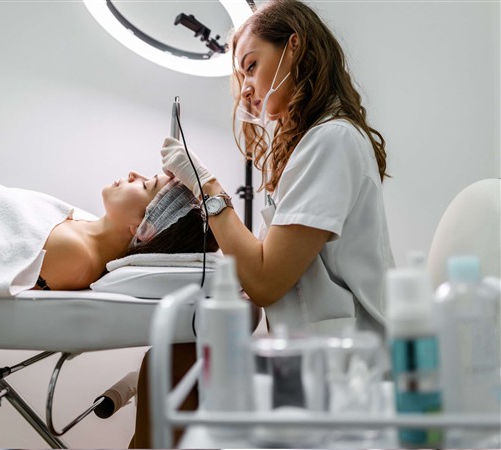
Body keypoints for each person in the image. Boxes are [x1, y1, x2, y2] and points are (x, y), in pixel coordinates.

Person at [131, 0, 394, 446]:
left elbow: (267, 281)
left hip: (348, 373)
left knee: (171, 368)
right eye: (242, 76)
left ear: (294, 47)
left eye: (251, 66)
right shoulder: (318, 143)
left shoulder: (331, 141)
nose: (247, 89)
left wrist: (207, 187)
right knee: (174, 362)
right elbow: (270, 266)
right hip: (316, 356)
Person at [0, 172, 218, 295]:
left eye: (146, 184)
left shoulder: (76, 254)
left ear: (143, 228)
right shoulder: (81, 231)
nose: (134, 174)